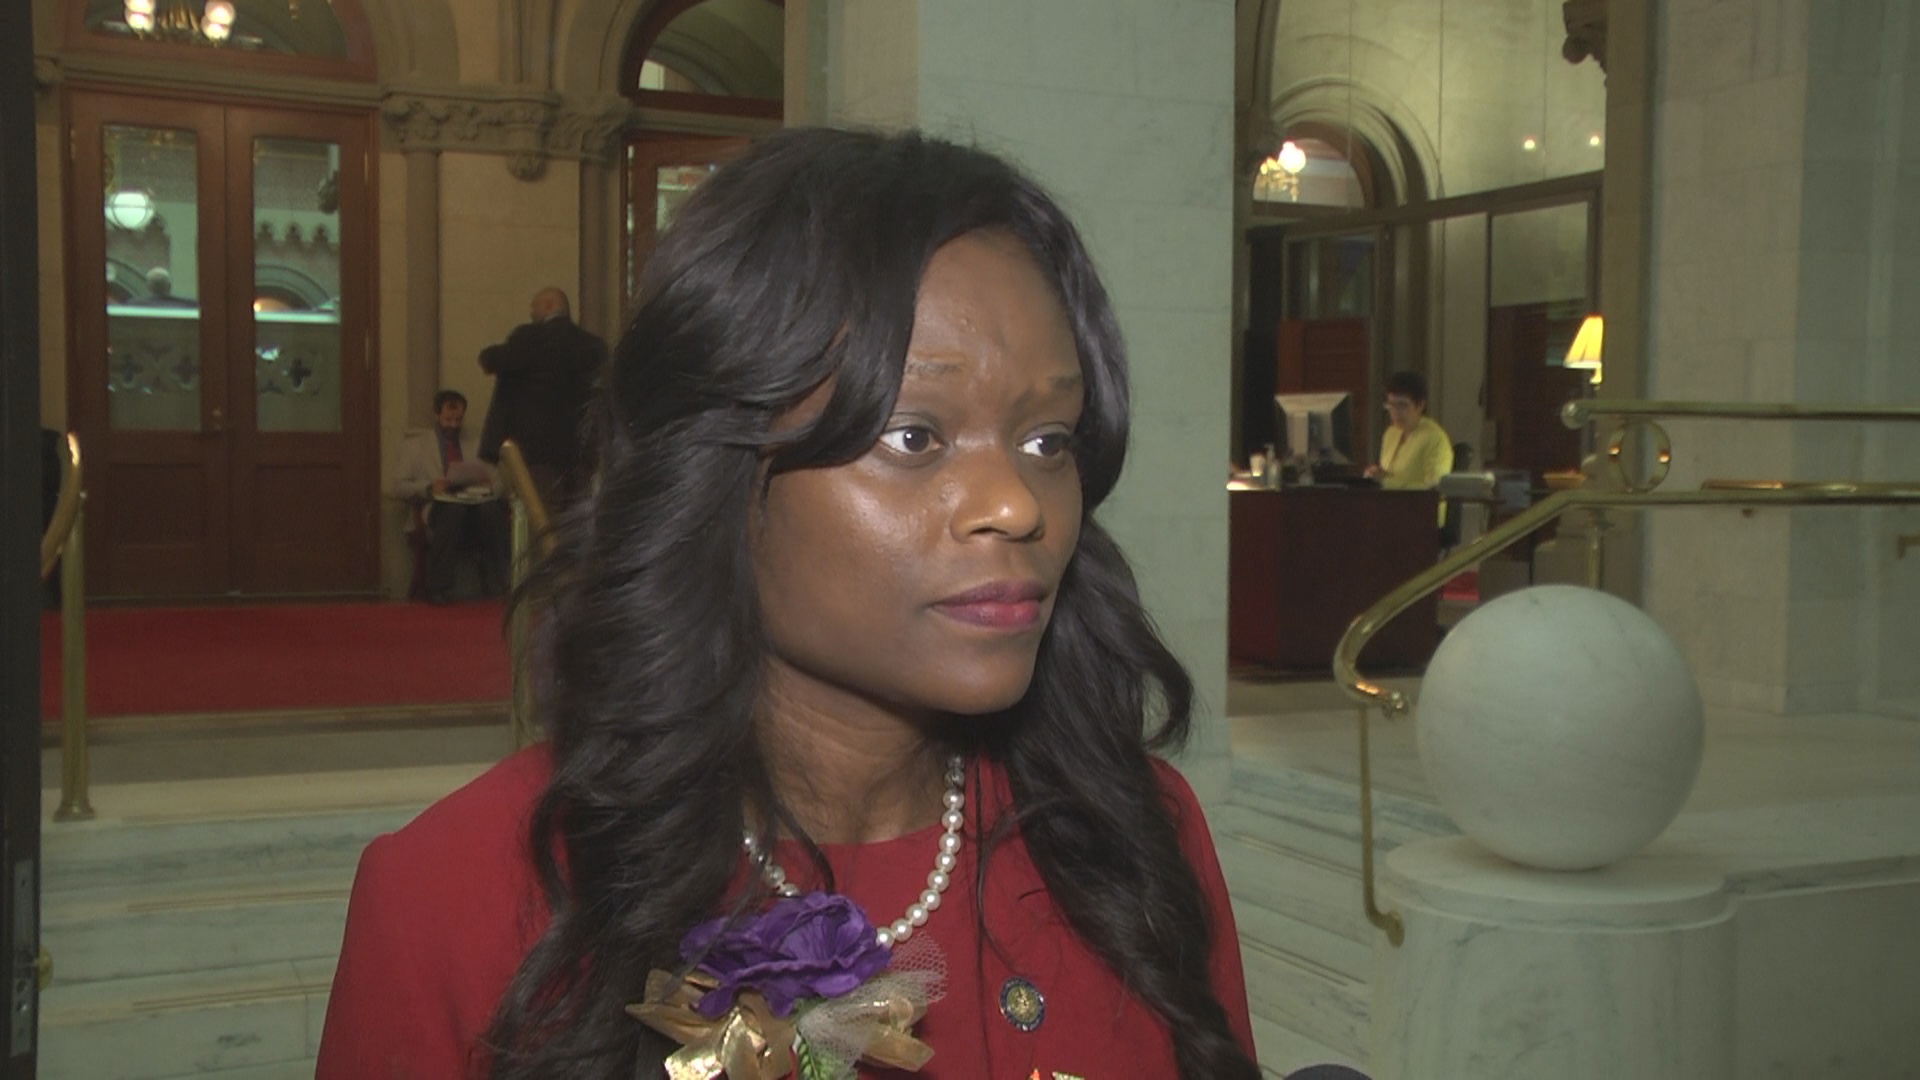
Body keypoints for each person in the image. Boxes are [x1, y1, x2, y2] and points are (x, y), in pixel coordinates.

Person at [318, 130, 1260, 1080]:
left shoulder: (1138, 839)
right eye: (914, 436)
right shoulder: (455, 894)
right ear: (717, 472)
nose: (1018, 505)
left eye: (1049, 440)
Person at [477, 286, 606, 511]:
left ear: (549, 306)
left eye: (534, 307)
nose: (531, 313)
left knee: (542, 516)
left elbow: (493, 360)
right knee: (577, 516)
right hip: (582, 450)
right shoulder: (594, 346)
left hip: (537, 450)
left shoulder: (530, 337)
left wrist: (485, 355)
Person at [390, 389, 508, 602]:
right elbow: (397, 486)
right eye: (448, 420)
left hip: (474, 505)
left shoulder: (476, 445)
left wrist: (489, 487)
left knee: (492, 511)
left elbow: (499, 483)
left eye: (458, 420)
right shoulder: (415, 447)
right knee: (453, 511)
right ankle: (438, 587)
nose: (453, 425)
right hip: (437, 507)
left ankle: (504, 582)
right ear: (437, 415)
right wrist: (429, 487)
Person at [1364, 370, 1453, 490]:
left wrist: (1386, 482)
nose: (1395, 412)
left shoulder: (1435, 439)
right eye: (1391, 405)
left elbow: (1433, 488)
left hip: (1417, 502)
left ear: (1420, 405)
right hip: (1389, 500)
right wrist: (1377, 474)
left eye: (1402, 405)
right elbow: (1390, 475)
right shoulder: (1391, 433)